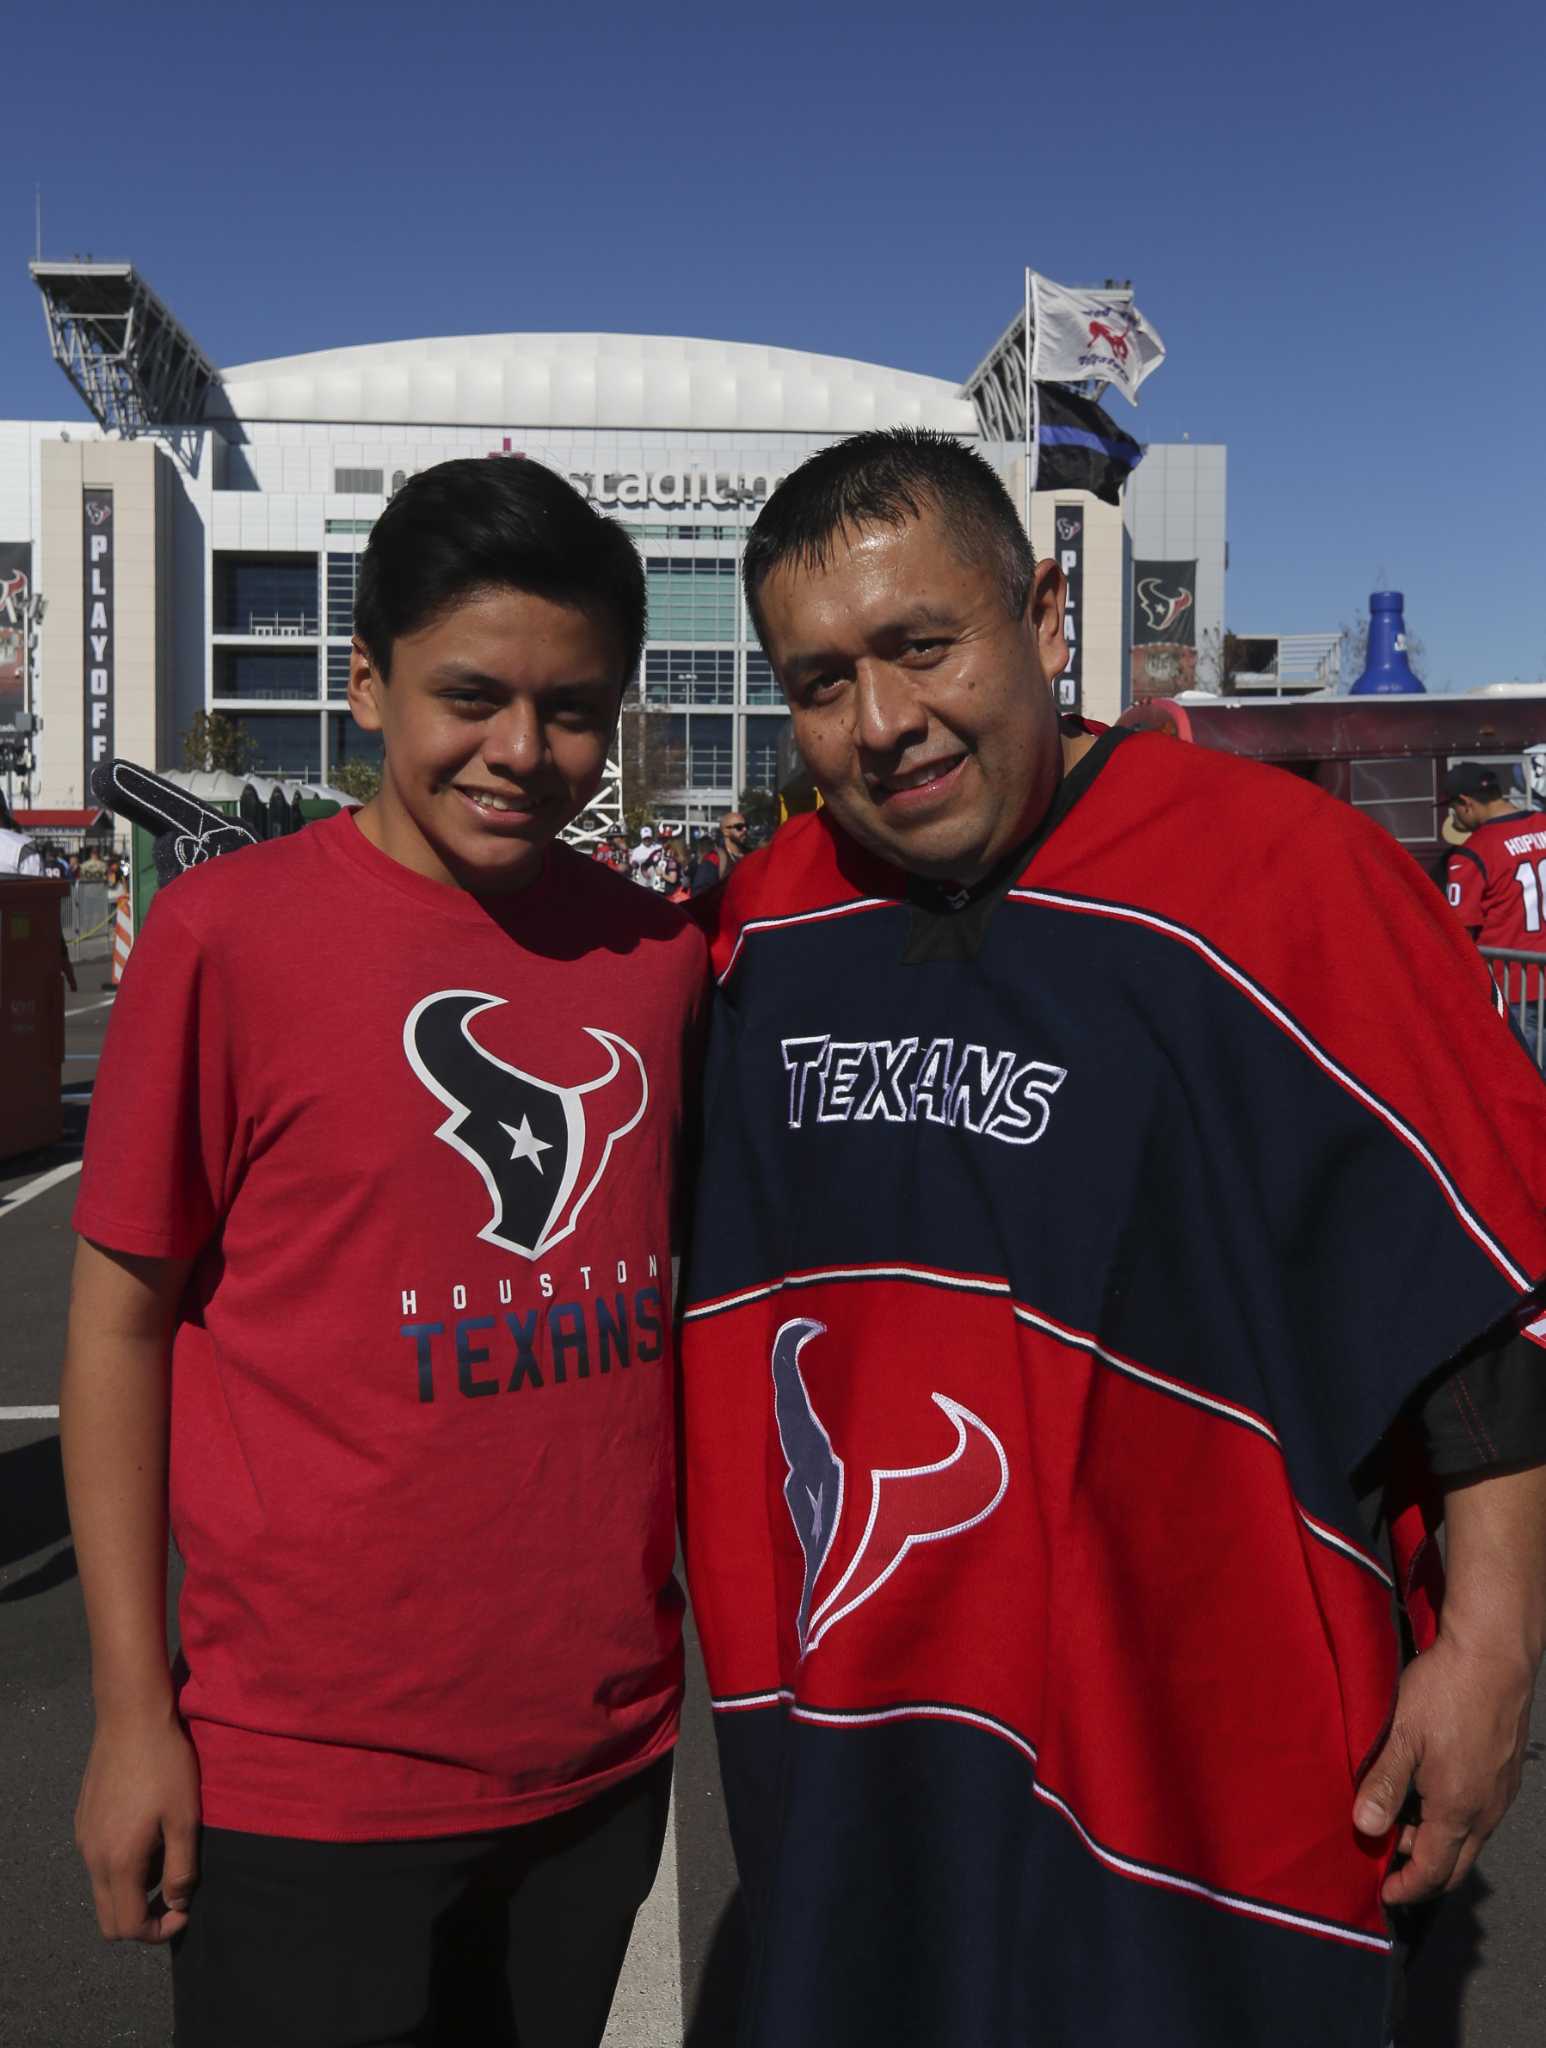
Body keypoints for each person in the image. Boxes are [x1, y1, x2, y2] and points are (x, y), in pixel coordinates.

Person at [679, 430, 1546, 2048]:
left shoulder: (1278, 878)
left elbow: (1470, 1298)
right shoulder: (765, 931)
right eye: (819, 680)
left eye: (920, 645)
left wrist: (1493, 1645)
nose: (880, 723)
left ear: (1046, 617)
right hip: (880, 1718)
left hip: (1217, 1729)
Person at [61, 456, 707, 2048]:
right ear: (364, 685)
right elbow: (117, 1334)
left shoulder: (658, 960)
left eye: (571, 710)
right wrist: (135, 1717)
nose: (520, 751)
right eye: (469, 695)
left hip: (598, 1760)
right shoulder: (228, 943)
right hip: (304, 1782)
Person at [1443, 761, 1546, 1003]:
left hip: (1516, 988)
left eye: (1453, 807)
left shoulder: (1472, 852)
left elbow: (1459, 932)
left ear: (1466, 803)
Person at [689, 809, 749, 895]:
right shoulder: (715, 858)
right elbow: (700, 894)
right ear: (725, 831)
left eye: (746, 826)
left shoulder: (751, 855)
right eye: (739, 827)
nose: (745, 830)